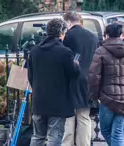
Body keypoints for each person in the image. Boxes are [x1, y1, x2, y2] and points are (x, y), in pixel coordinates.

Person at [28, 18, 80, 146]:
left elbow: (30, 76)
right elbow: (73, 74)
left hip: (39, 100)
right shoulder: (64, 52)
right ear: (62, 33)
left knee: (38, 136)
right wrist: (76, 65)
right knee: (54, 137)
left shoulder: (34, 51)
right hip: (57, 102)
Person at [88, 22, 124, 146]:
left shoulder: (100, 51)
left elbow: (94, 76)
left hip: (108, 98)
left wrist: (94, 96)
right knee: (118, 131)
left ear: (107, 34)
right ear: (121, 34)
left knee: (106, 131)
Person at [62, 11, 99, 146]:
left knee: (69, 117)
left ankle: (67, 144)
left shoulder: (67, 37)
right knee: (84, 116)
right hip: (87, 80)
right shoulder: (93, 38)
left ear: (69, 22)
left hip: (70, 79)